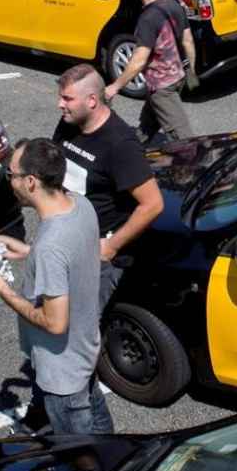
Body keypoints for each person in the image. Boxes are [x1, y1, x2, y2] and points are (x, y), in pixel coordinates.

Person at [0, 138, 112, 435]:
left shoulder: (51, 246)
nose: (10, 182)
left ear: (32, 181)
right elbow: (69, 256)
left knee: (82, 458)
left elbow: (54, 322)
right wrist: (25, 250)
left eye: (12, 175)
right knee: (105, 438)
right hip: (84, 351)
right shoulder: (81, 206)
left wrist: (1, 287)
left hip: (62, 375)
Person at [52, 63, 163, 313]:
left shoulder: (120, 143)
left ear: (92, 100)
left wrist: (110, 247)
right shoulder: (69, 123)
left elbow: (153, 204)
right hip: (68, 242)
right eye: (60, 97)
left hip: (98, 258)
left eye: (67, 98)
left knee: (82, 325)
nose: (60, 104)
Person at [105, 0, 196, 144]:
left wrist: (114, 86)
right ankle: (134, 151)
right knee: (147, 127)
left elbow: (139, 60)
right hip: (177, 77)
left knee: (184, 140)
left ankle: (192, 167)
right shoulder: (172, 4)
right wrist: (190, 72)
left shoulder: (148, 19)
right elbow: (188, 40)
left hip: (162, 87)